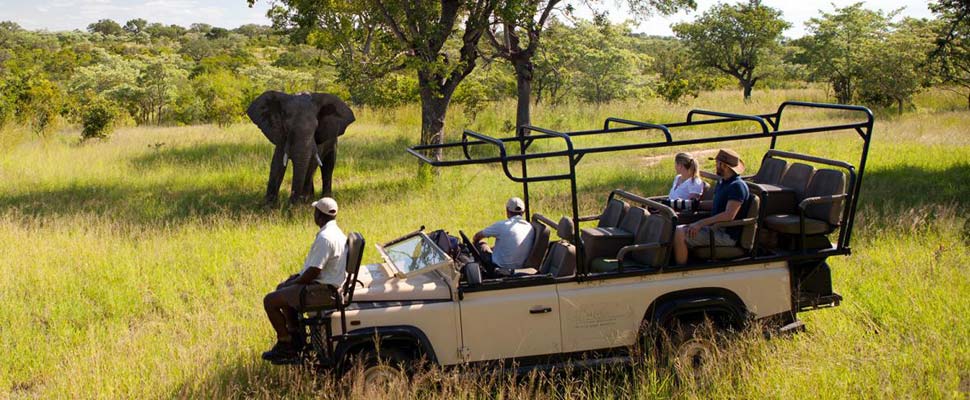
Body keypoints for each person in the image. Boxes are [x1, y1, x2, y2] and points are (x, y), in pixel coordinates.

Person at [261, 197, 347, 363]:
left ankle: (285, 343)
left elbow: (314, 271)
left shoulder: (325, 238)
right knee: (282, 288)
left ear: (319, 216)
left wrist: (295, 282)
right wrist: (294, 280)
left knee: (270, 301)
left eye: (315, 212)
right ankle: (295, 336)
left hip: (320, 291)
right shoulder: (337, 233)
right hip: (326, 285)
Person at [672, 149, 749, 265]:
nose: (715, 165)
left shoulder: (737, 186)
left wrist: (700, 223)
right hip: (714, 228)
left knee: (679, 233)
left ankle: (680, 268)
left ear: (724, 166)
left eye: (717, 163)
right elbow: (716, 204)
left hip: (725, 234)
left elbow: (729, 215)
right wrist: (692, 205)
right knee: (672, 228)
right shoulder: (723, 182)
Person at [473, 197, 535, 275]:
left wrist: (476, 241)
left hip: (499, 267)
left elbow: (478, 236)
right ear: (523, 212)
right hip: (521, 268)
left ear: (507, 210)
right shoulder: (530, 228)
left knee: (481, 244)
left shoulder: (502, 225)